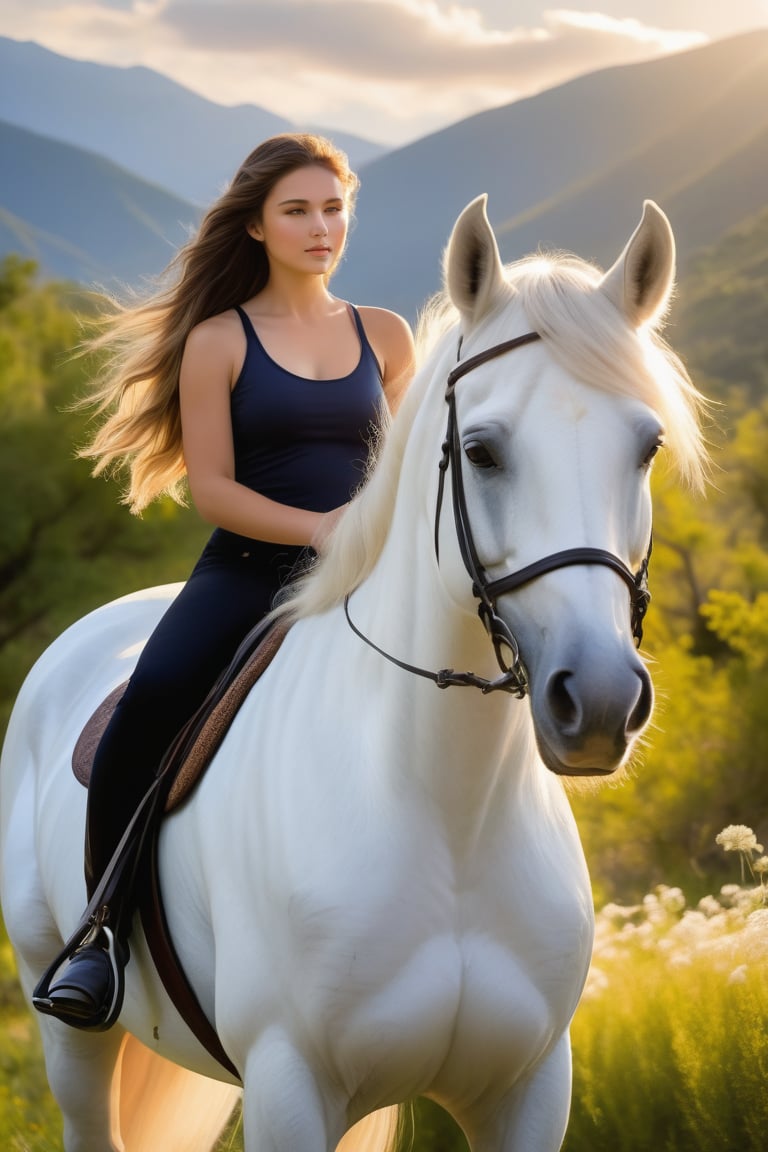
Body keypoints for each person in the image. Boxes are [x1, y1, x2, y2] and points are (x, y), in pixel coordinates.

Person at [32, 133, 415, 1030]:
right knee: (147, 706)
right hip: (251, 572)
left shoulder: (386, 335)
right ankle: (100, 937)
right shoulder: (218, 341)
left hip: (373, 574)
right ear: (255, 225)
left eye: (334, 208)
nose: (322, 227)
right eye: (298, 211)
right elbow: (214, 491)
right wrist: (325, 528)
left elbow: (405, 470)